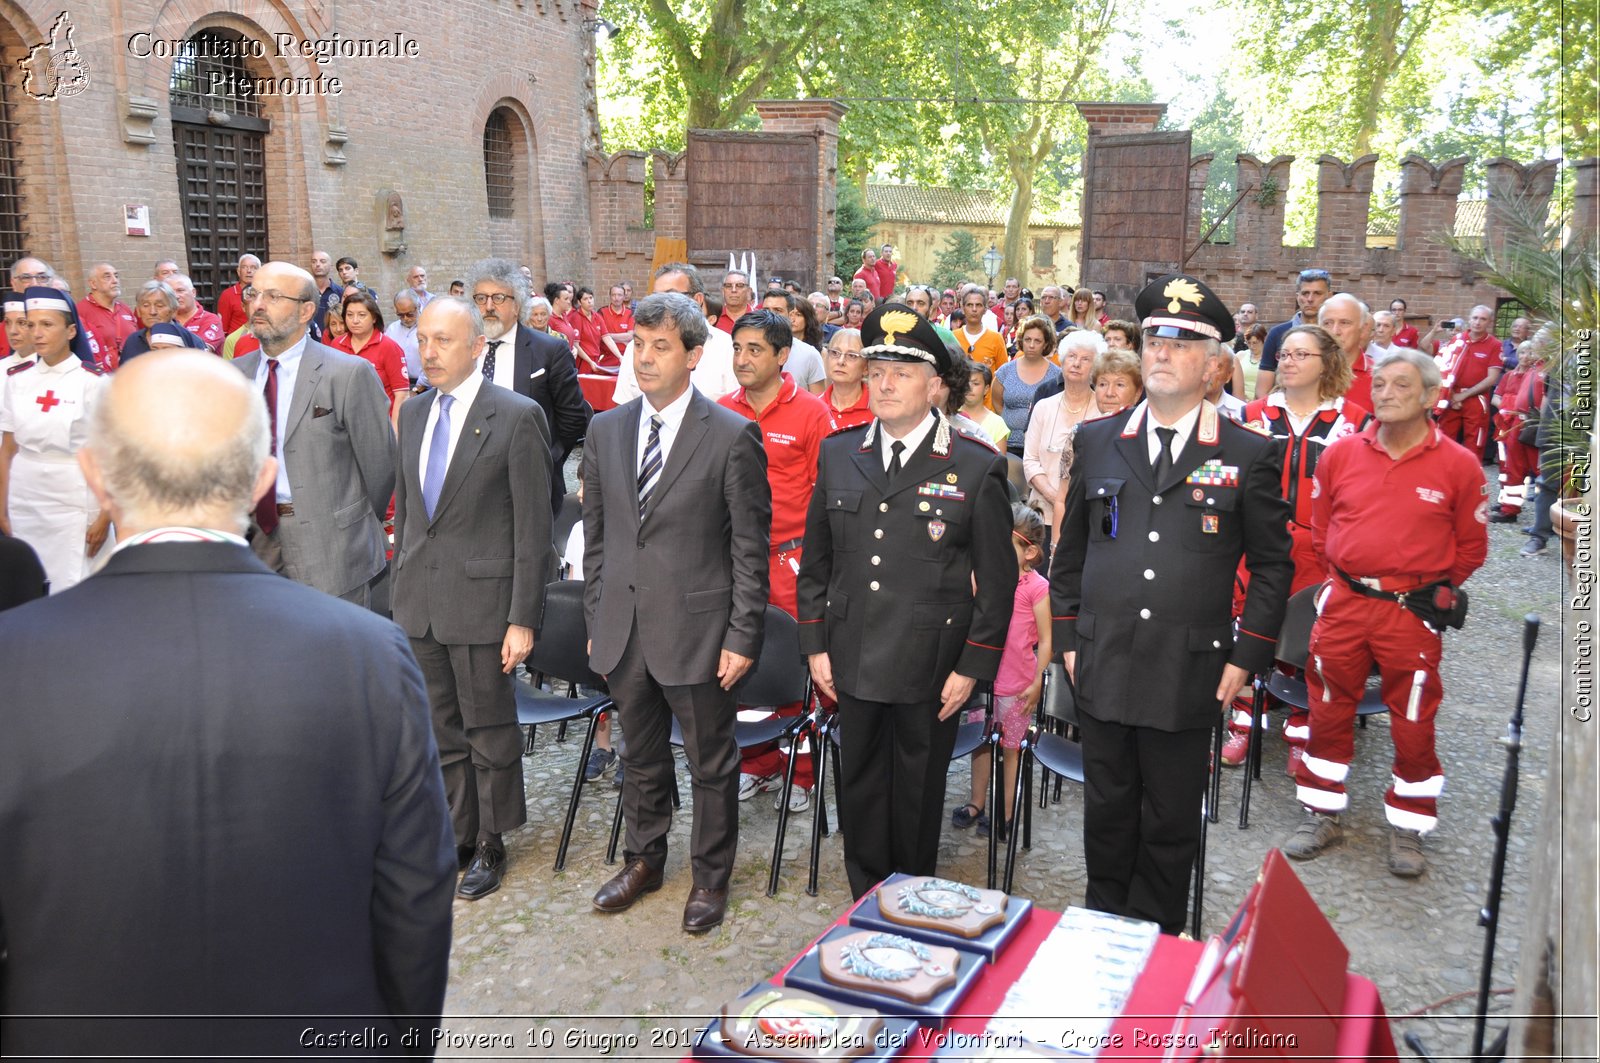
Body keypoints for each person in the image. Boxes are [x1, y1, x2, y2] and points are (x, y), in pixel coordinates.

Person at [0, 351, 454, 1056]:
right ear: (262, 477)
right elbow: (416, 897)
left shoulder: (13, 659)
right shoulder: (368, 652)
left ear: (94, 475)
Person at [1049, 273, 1293, 935]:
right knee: (1106, 812)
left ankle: (1155, 940)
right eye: (1155, 335)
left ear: (1215, 365)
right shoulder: (1100, 440)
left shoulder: (1247, 453)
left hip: (1190, 668)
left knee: (1170, 819)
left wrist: (1248, 656)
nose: (1161, 350)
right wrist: (1067, 636)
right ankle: (1105, 933)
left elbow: (1273, 566)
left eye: (1183, 341)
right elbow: (1069, 552)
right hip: (1101, 658)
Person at [797, 302, 1016, 899]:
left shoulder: (975, 467)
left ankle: (910, 899)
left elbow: (997, 585)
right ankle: (866, 900)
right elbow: (816, 562)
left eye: (902, 370)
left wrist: (972, 667)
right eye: (877, 370)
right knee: (859, 783)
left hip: (930, 663)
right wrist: (814, 643)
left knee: (916, 790)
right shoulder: (841, 453)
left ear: (937, 385)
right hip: (853, 651)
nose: (884, 383)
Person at [584, 292, 772, 934]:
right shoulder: (607, 429)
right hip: (623, 629)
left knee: (711, 763)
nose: (643, 357)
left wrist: (742, 635)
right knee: (640, 755)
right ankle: (644, 859)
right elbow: (600, 536)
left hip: (700, 631)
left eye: (660, 346)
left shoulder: (730, 434)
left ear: (694, 355)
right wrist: (596, 617)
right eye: (637, 344)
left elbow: (750, 547)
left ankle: (710, 878)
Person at [1285, 348, 1488, 877]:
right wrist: (1349, 579)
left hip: (1410, 613)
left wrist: (1428, 592)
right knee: (1327, 705)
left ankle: (1410, 824)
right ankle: (1321, 810)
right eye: (1379, 384)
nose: (1387, 393)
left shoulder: (1459, 466)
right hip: (1345, 606)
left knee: (1414, 716)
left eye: (1401, 385)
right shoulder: (1342, 454)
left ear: (1428, 395)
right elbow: (1324, 527)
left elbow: (1472, 546)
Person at [392, 296, 553, 901]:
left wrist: (521, 618)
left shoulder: (514, 416)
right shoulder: (412, 413)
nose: (427, 352)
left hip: (485, 604)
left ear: (476, 349)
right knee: (439, 728)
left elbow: (533, 529)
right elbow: (410, 513)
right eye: (422, 339)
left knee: (488, 727)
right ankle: (457, 832)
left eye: (441, 341)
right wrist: (400, 587)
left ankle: (491, 838)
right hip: (420, 603)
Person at [1219, 324, 1371, 768]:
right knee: (1246, 631)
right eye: (1284, 355)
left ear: (1329, 363)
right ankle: (1244, 722)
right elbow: (1220, 478)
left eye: (1301, 355)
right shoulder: (1252, 415)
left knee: (1309, 639)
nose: (1287, 361)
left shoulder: (1357, 423)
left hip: (1322, 551)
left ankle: (1304, 727)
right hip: (1257, 547)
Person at [232, 262, 396, 607]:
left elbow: (380, 467)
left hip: (332, 545)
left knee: (335, 653)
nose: (258, 304)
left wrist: (348, 521)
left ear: (307, 310)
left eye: (273, 296)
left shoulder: (348, 374)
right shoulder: (234, 376)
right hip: (256, 541)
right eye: (254, 294)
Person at [720, 308, 831, 811]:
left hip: (792, 562)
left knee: (798, 663)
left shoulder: (811, 413)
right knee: (742, 660)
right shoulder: (720, 409)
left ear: (783, 356)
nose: (742, 359)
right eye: (738, 348)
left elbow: (827, 496)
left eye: (755, 350)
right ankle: (756, 765)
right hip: (735, 563)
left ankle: (802, 772)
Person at [0, 287, 110, 593]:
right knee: (29, 582)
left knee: (75, 584)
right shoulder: (17, 380)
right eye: (30, 324)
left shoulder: (93, 382)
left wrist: (106, 515)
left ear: (71, 330)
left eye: (47, 324)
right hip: (26, 496)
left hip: (75, 495)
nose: (36, 333)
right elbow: (8, 448)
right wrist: (2, 504)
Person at [954, 503, 1051, 839]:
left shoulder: (1037, 589)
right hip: (984, 679)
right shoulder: (986, 578)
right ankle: (977, 802)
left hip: (1017, 686)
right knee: (981, 742)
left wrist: (1038, 680)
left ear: (1030, 552)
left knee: (1011, 749)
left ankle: (1007, 814)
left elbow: (1048, 640)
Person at [470, 260, 592, 508]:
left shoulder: (549, 350)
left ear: (517, 305)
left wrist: (549, 459)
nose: (489, 306)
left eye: (499, 298)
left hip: (531, 482)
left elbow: (573, 416)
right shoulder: (463, 349)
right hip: (475, 481)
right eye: (481, 298)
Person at [611, 263, 739, 405]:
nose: (659, 306)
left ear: (697, 300)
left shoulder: (728, 348)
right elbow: (623, 410)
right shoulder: (635, 348)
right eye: (655, 298)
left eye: (670, 296)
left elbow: (735, 412)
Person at [1024, 329, 1102, 532]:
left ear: (1096, 367)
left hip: (1084, 516)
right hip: (1040, 516)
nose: (1076, 363)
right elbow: (1030, 461)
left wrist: (1072, 505)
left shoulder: (1102, 411)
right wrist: (1056, 498)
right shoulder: (1043, 406)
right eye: (1072, 356)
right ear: (1063, 360)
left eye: (1086, 359)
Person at [332, 289, 410, 428]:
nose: (355, 320)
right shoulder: (337, 345)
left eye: (362, 315)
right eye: (350, 315)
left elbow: (401, 394)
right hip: (344, 425)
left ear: (374, 317)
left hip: (379, 424)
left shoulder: (389, 347)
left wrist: (395, 431)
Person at [1434, 304, 1503, 456]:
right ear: (1469, 319)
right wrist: (1451, 394)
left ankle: (1471, 477)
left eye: (1483, 319)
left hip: (1476, 400)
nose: (1478, 322)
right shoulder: (1457, 340)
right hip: (1451, 396)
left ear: (1489, 322)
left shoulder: (1495, 345)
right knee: (1444, 438)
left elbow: (1491, 379)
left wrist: (1463, 396)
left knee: (1474, 441)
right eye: (1475, 318)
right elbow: (1444, 368)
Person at [1490, 336, 1545, 523]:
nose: (1527, 355)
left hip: (1532, 424)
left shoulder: (1544, 370)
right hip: (1515, 424)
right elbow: (1497, 396)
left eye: (1532, 350)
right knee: (1512, 467)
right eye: (1524, 352)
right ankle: (1509, 509)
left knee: (1541, 470)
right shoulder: (1522, 372)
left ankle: (1548, 516)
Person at [993, 316, 1063, 456]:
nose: (1031, 345)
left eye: (1037, 341)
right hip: (1008, 444)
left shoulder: (1057, 375)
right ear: (1021, 340)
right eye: (1027, 339)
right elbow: (997, 402)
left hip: (1042, 446)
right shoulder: (1006, 371)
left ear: (1045, 344)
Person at [1257, 267, 1332, 396]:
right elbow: (1262, 391)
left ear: (1329, 296)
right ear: (1298, 297)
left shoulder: (1333, 336)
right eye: (1305, 293)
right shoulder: (1276, 334)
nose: (1310, 299)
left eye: (1317, 293)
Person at [1317, 293, 1379, 412]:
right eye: (1328, 323)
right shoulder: (1305, 373)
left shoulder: (1378, 377)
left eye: (1344, 323)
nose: (1335, 331)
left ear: (1363, 329)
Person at [759, 290, 827, 393]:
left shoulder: (810, 355)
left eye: (777, 310)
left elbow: (819, 402)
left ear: (790, 315)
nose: (770, 315)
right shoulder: (746, 351)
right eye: (766, 310)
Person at [76, 263, 139, 367]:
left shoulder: (125, 308)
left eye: (116, 276)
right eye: (107, 276)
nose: (115, 281)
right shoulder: (81, 311)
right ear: (93, 284)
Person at [820, 328, 873, 431]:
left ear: (866, 367)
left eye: (852, 356)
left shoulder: (878, 409)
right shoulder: (813, 406)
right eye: (835, 353)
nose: (840, 361)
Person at [169, 274, 226, 354]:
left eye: (180, 290)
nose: (176, 296)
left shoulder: (210, 319)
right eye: (171, 293)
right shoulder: (164, 320)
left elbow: (201, 352)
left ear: (193, 293)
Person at [960, 362, 1010, 449]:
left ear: (986, 389)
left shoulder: (997, 423)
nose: (969, 387)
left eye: (975, 383)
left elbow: (999, 461)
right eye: (965, 382)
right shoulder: (948, 415)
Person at [570, 286, 612, 372]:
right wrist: (590, 361)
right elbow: (575, 345)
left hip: (596, 360)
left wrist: (620, 357)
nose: (589, 301)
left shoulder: (597, 316)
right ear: (579, 302)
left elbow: (607, 338)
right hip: (583, 361)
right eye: (585, 299)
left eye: (591, 297)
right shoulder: (576, 317)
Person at [217, 253, 261, 334]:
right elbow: (223, 328)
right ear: (238, 271)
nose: (249, 271)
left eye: (253, 267)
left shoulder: (264, 293)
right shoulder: (228, 295)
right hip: (236, 341)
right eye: (244, 267)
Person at [307, 250, 344, 341]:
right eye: (314, 261)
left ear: (330, 266)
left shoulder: (341, 292)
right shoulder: (304, 292)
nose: (318, 264)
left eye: (322, 261)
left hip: (334, 344)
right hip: (310, 343)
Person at [387, 292, 422, 384]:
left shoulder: (428, 328)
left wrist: (418, 388)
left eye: (410, 314)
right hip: (397, 383)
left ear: (418, 306)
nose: (405, 318)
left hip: (424, 385)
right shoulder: (392, 329)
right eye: (401, 315)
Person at [599, 283, 635, 365]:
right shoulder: (602, 312)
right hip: (605, 359)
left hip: (625, 358)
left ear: (624, 297)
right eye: (613, 295)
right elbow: (600, 337)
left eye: (619, 295)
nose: (616, 298)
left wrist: (608, 336)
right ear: (610, 296)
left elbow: (630, 336)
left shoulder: (630, 313)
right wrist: (623, 339)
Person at [1231, 322, 1268, 400]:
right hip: (1240, 400)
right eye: (1248, 343)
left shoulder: (1269, 359)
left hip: (1261, 402)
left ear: (1264, 339)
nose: (1252, 346)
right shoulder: (1240, 356)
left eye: (1255, 343)